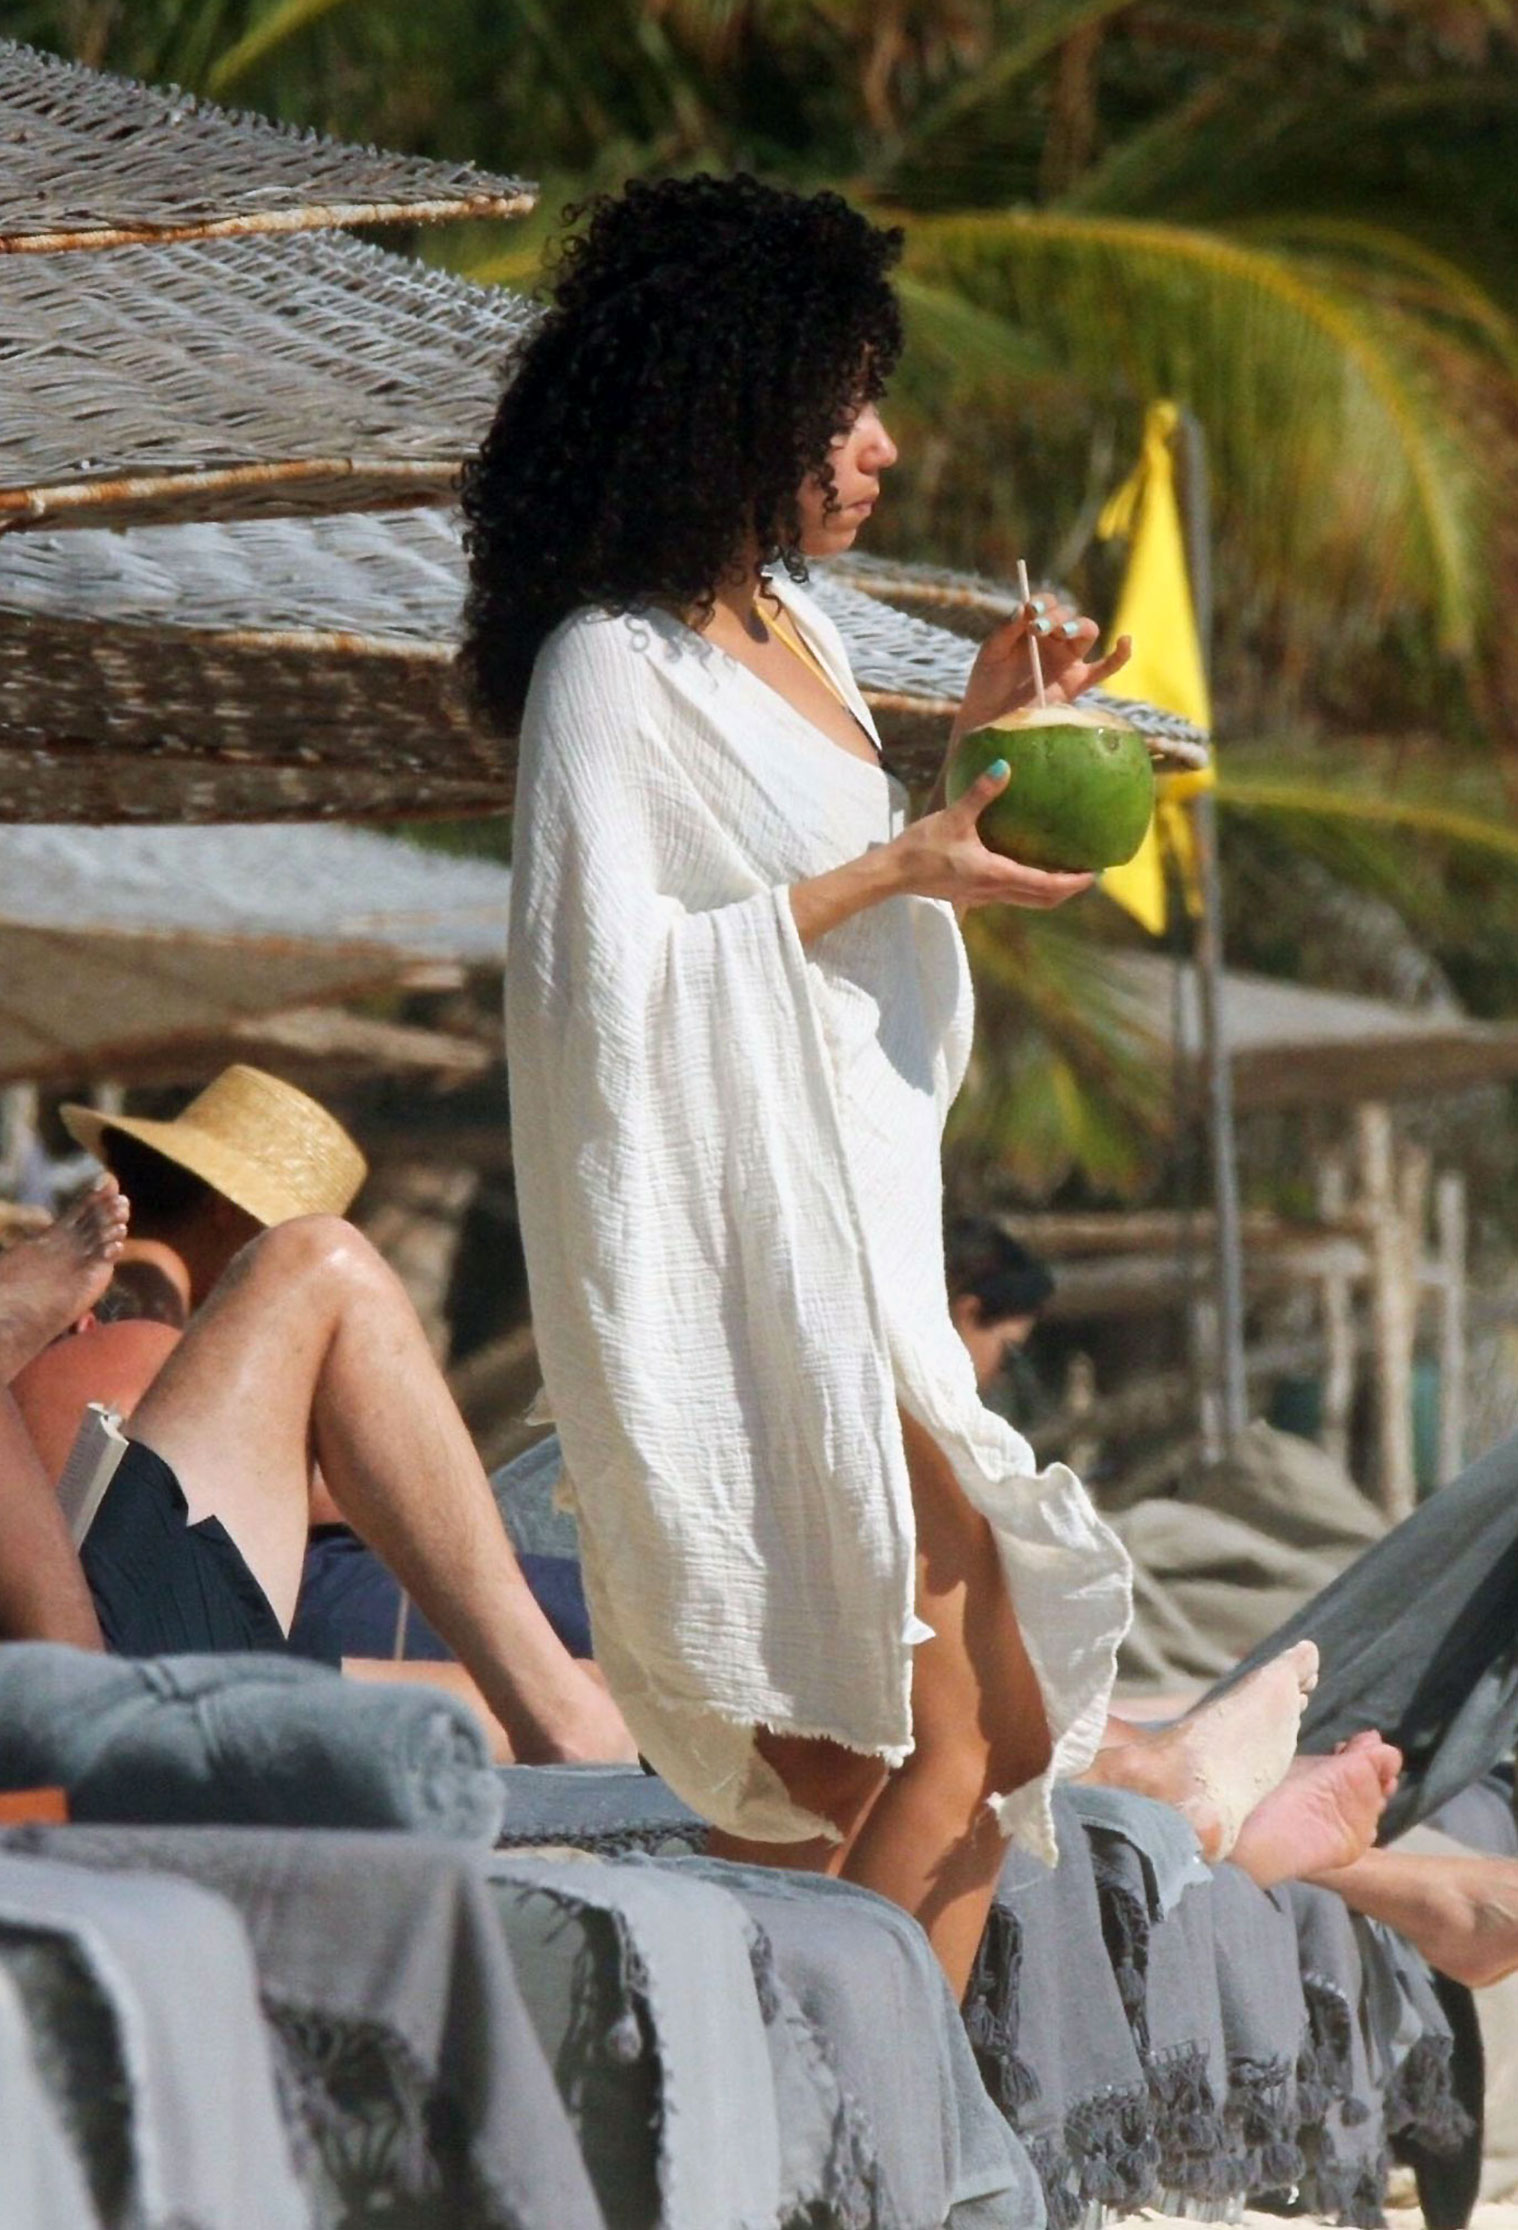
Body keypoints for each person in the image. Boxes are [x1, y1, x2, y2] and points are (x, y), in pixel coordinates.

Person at [461, 173, 1330, 1996]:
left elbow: (838, 921)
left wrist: (976, 751)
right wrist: (895, 861)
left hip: (856, 1237)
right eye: (844, 406)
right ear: (734, 411)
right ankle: (829, 2111)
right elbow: (597, 993)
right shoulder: (608, 670)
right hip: (756, 1266)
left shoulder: (810, 638)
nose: (883, 447)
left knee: (913, 1749)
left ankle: (778, 2094)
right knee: (919, 1735)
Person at [1, 1075, 634, 1767]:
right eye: (261, 1229)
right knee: (317, 1260)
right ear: (227, 1214)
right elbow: (360, 1502)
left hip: (167, 1660)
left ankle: (579, 1718)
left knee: (621, 1703)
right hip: (122, 1683)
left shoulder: (116, 1337)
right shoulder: (137, 1339)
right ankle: (570, 1721)